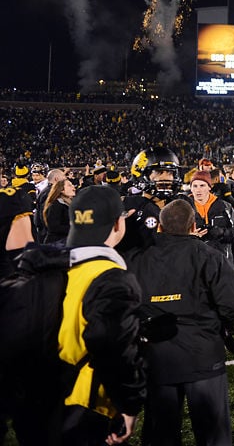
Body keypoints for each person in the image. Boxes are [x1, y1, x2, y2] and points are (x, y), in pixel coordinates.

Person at [126, 199, 234, 446]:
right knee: (213, 436)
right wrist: (227, 329)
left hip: (157, 355)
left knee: (161, 435)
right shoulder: (208, 255)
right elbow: (232, 302)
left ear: (159, 226)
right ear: (193, 226)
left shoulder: (138, 258)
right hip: (203, 354)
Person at [59, 185, 146, 445]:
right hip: (87, 407)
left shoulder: (48, 265)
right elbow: (112, 346)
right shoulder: (110, 277)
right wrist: (129, 404)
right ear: (118, 224)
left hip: (41, 400)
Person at [187, 171, 234, 262]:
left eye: (202, 185)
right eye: (195, 186)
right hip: (194, 262)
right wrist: (188, 235)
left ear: (209, 187)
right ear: (191, 188)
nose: (198, 190)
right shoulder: (184, 207)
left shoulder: (224, 206)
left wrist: (222, 233)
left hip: (221, 262)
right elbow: (171, 234)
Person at [42, 177, 77, 245]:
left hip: (66, 241)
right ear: (61, 190)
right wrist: (74, 227)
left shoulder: (71, 203)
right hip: (56, 243)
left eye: (72, 184)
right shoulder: (55, 205)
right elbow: (53, 227)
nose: (73, 187)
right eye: (69, 185)